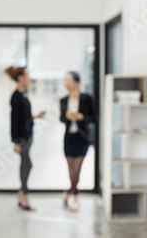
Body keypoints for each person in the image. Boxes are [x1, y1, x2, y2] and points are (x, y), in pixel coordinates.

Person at [5, 66, 46, 211]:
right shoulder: (16, 96)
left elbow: (24, 117)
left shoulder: (23, 94)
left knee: (25, 165)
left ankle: (21, 194)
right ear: (21, 78)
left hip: (28, 136)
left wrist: (35, 116)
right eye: (27, 75)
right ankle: (24, 195)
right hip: (22, 138)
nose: (29, 78)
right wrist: (16, 141)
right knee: (27, 165)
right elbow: (14, 120)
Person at [60, 71, 97, 212]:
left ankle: (72, 194)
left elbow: (95, 117)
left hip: (82, 138)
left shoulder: (87, 98)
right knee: (71, 171)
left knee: (77, 171)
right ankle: (73, 194)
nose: (66, 82)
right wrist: (67, 116)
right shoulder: (64, 100)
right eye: (65, 80)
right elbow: (61, 119)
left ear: (76, 82)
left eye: (68, 80)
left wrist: (81, 117)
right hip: (69, 138)